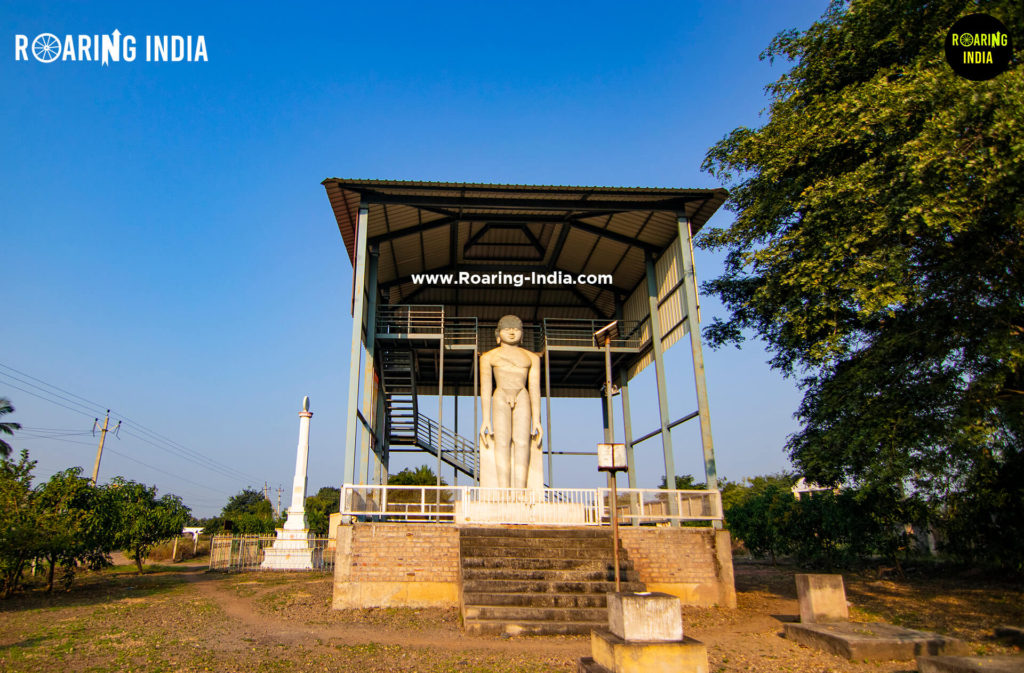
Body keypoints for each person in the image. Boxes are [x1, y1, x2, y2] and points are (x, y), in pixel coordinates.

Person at [479, 315, 542, 488]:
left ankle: (520, 492)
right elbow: (485, 388)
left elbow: (535, 389)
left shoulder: (532, 358)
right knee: (502, 442)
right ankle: (503, 490)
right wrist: (485, 419)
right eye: (507, 329)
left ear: (522, 334)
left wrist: (537, 419)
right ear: (498, 333)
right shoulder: (488, 357)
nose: (512, 332)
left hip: (523, 395)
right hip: (500, 395)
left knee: (522, 442)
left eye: (516, 329)